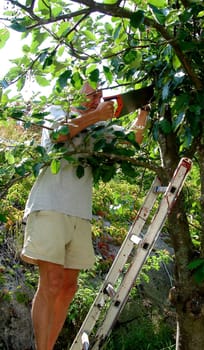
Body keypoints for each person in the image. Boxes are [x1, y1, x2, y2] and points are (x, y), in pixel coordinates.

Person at [21, 82, 149, 350]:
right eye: (92, 91)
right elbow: (58, 135)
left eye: (100, 93)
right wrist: (97, 115)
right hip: (50, 205)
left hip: (80, 212)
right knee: (52, 282)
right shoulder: (57, 110)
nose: (97, 96)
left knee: (69, 287)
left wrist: (143, 114)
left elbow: (130, 144)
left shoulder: (101, 128)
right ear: (74, 89)